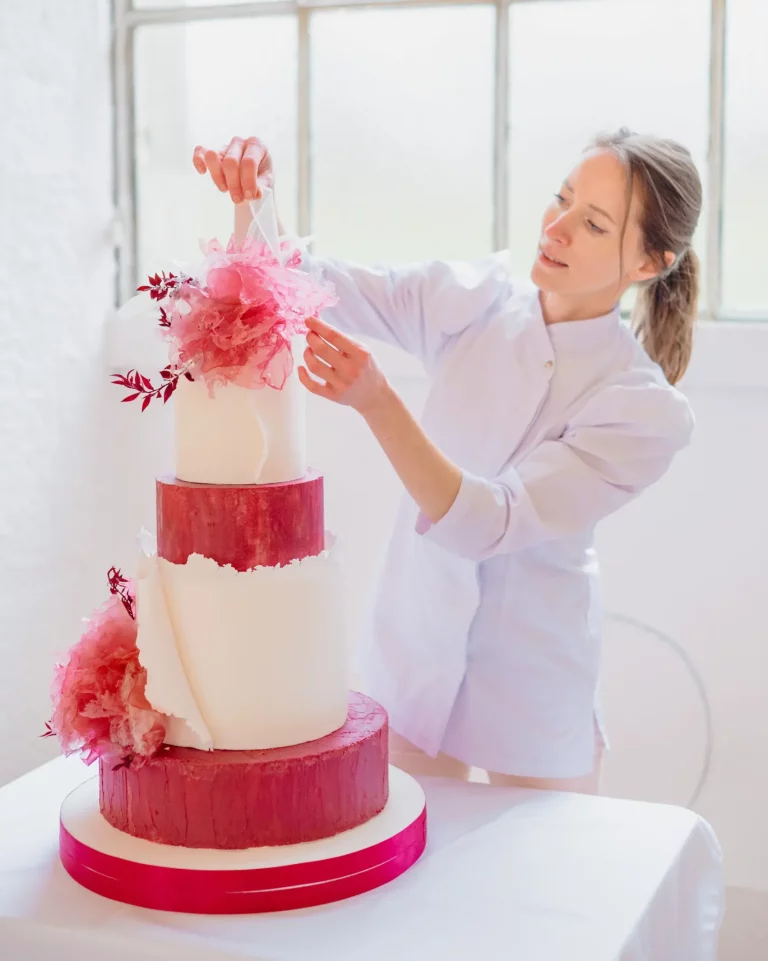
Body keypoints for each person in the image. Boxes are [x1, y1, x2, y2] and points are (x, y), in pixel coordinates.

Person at [193, 129, 700, 794]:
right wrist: (256, 197)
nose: (557, 227)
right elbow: (312, 284)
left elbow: (493, 520)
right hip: (415, 652)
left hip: (534, 684)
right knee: (409, 848)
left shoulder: (642, 410)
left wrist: (377, 402)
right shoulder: (474, 301)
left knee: (544, 859)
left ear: (649, 262)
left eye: (595, 224)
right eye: (562, 198)